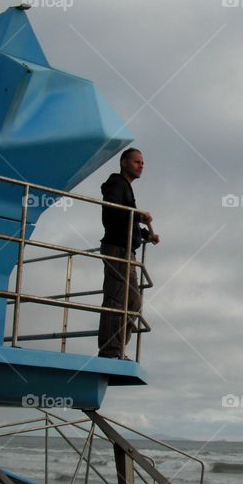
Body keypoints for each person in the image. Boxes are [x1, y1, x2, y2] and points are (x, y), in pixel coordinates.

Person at [98, 148, 159, 359]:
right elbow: (112, 212)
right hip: (117, 248)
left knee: (131, 301)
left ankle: (116, 349)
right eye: (136, 161)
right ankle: (110, 351)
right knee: (118, 299)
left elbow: (126, 222)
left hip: (126, 249)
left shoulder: (126, 187)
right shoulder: (116, 183)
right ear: (124, 162)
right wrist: (138, 216)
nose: (141, 165)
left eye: (142, 162)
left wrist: (144, 235)